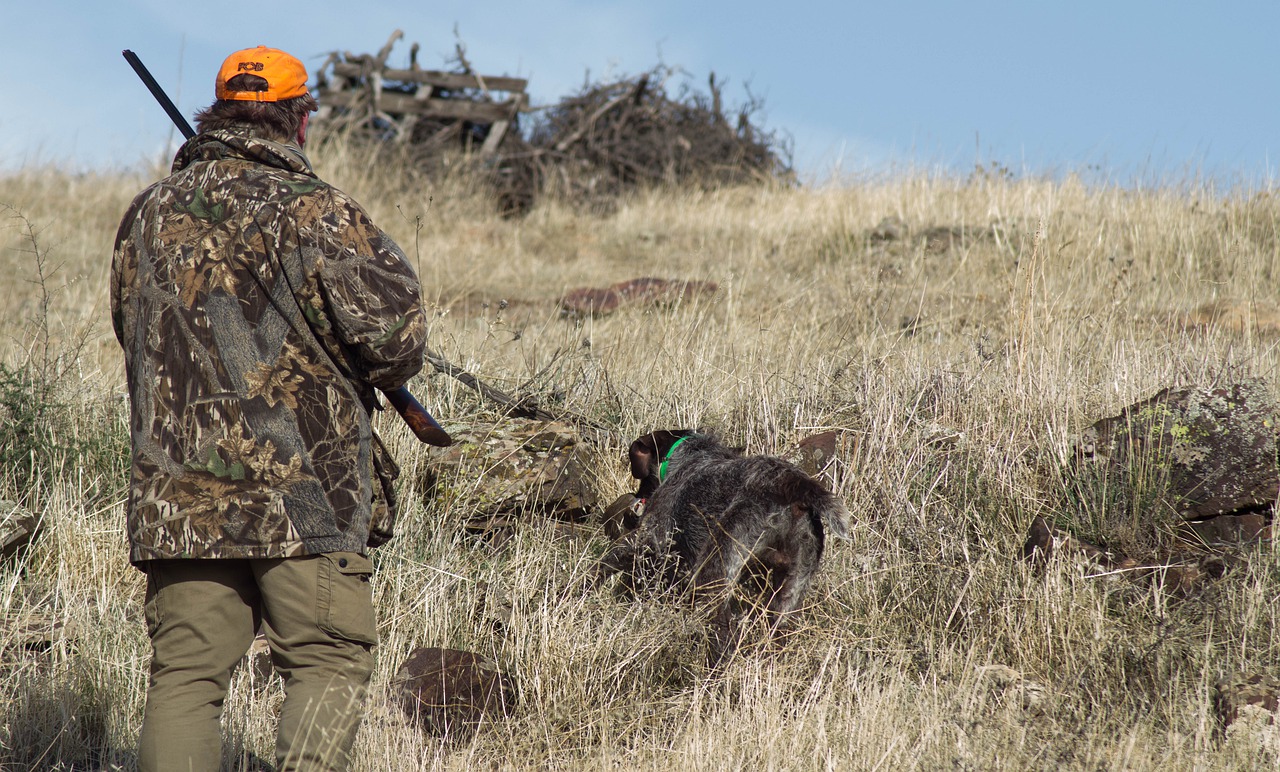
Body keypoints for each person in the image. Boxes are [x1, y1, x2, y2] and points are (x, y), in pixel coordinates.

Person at [111, 45, 427, 772]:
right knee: (326, 660)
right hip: (308, 492)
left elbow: (132, 328)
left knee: (185, 679)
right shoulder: (318, 209)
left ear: (215, 115)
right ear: (300, 119)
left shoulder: (148, 213)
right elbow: (397, 342)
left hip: (180, 492)